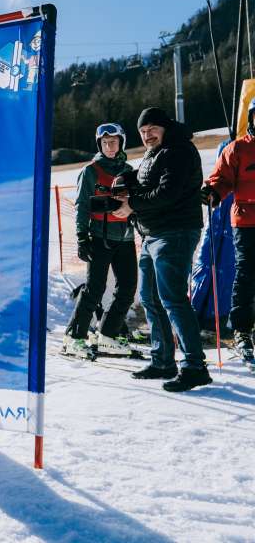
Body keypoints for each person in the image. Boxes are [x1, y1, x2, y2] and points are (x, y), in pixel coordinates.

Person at [112, 107, 211, 392]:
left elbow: (167, 193)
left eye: (152, 129)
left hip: (175, 232)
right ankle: (163, 360)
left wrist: (132, 204)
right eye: (143, 132)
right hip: (151, 233)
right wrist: (127, 183)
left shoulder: (178, 150)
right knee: (151, 299)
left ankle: (195, 367)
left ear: (165, 127)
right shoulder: (153, 154)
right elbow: (147, 184)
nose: (147, 135)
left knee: (172, 298)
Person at [63, 123, 137, 358]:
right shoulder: (90, 171)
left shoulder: (128, 170)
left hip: (125, 237)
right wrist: (82, 237)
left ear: (121, 143)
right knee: (95, 288)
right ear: (99, 145)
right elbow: (82, 206)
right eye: (105, 143)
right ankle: (74, 338)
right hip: (99, 237)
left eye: (113, 142)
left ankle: (107, 334)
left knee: (127, 288)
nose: (109, 146)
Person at [201, 97, 255, 369]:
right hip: (246, 220)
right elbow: (221, 179)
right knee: (246, 272)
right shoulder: (237, 149)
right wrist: (213, 192)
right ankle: (242, 330)